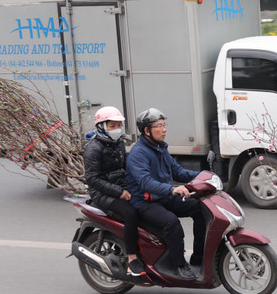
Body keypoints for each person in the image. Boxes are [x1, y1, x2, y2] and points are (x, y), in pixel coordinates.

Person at [126, 108, 206, 282]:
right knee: (171, 222)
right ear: (147, 130)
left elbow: (177, 172)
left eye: (164, 125)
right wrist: (172, 189)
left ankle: (199, 257)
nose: (164, 129)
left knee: (202, 208)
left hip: (163, 197)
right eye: (159, 126)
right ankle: (179, 266)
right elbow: (145, 182)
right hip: (146, 202)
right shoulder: (138, 153)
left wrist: (202, 175)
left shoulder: (160, 148)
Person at [83, 107, 146, 279]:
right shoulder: (93, 148)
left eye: (119, 125)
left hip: (120, 187)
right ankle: (132, 257)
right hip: (102, 193)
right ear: (102, 126)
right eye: (112, 125)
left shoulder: (117, 143)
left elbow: (124, 167)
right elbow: (93, 179)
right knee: (131, 214)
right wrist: (119, 192)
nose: (117, 129)